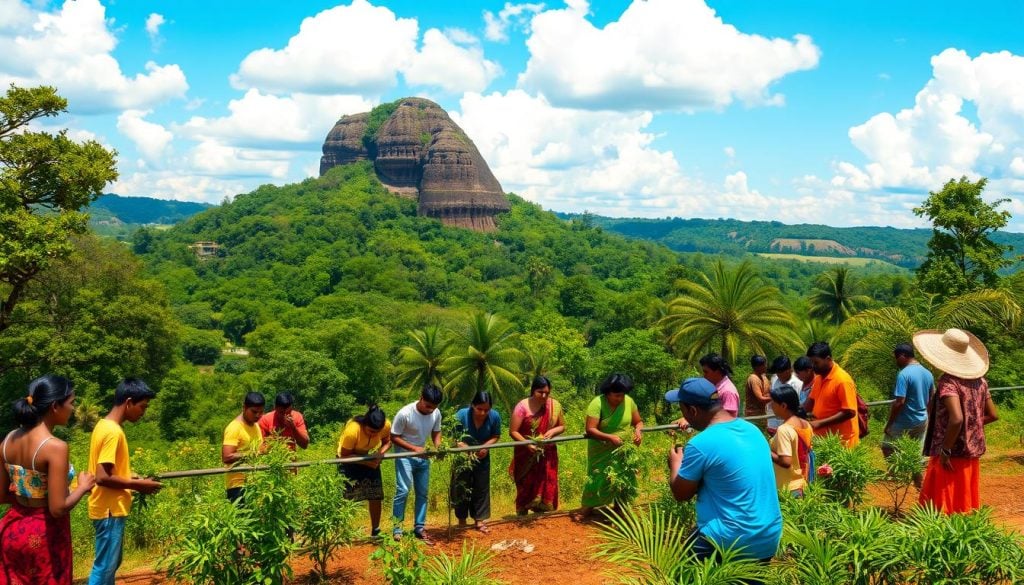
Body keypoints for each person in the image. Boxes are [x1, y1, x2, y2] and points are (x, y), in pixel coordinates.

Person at [666, 377, 781, 565]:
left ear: (692, 410)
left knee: (679, 571)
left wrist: (676, 464)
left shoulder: (701, 443)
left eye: (683, 410)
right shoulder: (751, 430)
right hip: (767, 537)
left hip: (729, 541)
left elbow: (681, 493)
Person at [0, 375, 95, 585]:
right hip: (44, 536)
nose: (73, 408)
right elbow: (57, 508)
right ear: (55, 406)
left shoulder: (8, 440)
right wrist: (83, 486)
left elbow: (1, 495)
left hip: (12, 531)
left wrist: (27, 497)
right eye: (71, 403)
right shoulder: (55, 447)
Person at [87, 378, 163, 585]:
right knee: (104, 568)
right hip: (110, 509)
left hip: (108, 508)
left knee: (111, 563)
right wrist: (140, 485)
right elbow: (102, 477)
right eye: (142, 406)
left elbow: (108, 470)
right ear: (129, 402)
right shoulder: (112, 432)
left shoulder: (104, 426)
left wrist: (132, 476)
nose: (143, 412)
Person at [914, 328, 999, 514]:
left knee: (943, 504)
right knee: (964, 502)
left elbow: (957, 418)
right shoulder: (981, 382)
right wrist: (972, 426)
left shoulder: (949, 383)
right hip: (971, 452)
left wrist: (946, 448)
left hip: (951, 452)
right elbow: (992, 415)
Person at [579, 373, 644, 518]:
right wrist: (610, 438)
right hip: (601, 448)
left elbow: (638, 422)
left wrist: (638, 432)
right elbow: (590, 429)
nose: (620, 399)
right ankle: (588, 507)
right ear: (608, 393)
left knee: (623, 477)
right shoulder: (597, 403)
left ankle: (620, 508)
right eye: (616, 396)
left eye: (622, 395)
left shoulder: (629, 402)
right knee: (597, 477)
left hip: (624, 449)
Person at [391, 384, 443, 543]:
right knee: (404, 490)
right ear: (421, 397)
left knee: (422, 492)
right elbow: (394, 436)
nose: (430, 410)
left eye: (433, 408)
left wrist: (438, 447)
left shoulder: (436, 413)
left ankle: (419, 527)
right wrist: (414, 449)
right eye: (427, 406)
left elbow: (436, 431)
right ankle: (397, 528)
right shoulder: (405, 413)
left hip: (423, 455)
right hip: (405, 454)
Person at [509, 376, 566, 515]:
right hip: (525, 453)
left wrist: (552, 431)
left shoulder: (554, 406)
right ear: (533, 391)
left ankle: (542, 512)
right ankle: (522, 512)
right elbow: (513, 431)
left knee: (546, 481)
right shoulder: (522, 406)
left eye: (547, 392)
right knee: (525, 484)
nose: (544, 395)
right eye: (541, 392)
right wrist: (527, 444)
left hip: (547, 452)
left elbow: (563, 426)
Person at [882, 344, 934, 485]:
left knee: (887, 446)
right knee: (916, 453)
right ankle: (918, 481)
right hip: (922, 419)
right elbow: (931, 399)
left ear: (902, 356)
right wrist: (928, 418)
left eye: (896, 358)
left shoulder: (904, 374)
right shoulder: (927, 373)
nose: (896, 362)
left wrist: (890, 424)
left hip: (905, 420)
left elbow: (900, 402)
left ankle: (897, 474)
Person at [337, 404, 391, 538]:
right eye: (371, 431)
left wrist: (379, 454)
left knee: (375, 494)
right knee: (347, 497)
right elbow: (344, 456)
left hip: (369, 458)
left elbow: (388, 442)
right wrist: (366, 462)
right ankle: (343, 532)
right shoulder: (353, 430)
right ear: (364, 424)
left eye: (376, 432)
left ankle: (376, 529)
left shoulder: (386, 425)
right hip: (348, 460)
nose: (373, 434)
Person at [451, 391, 501, 533]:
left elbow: (496, 435)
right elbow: (454, 437)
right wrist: (465, 447)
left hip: (482, 458)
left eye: (486, 410)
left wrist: (486, 446)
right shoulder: (461, 415)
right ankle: (461, 520)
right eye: (479, 409)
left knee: (481, 487)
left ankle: (479, 521)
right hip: (462, 459)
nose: (483, 413)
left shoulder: (495, 416)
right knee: (461, 487)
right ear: (473, 405)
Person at [803, 342, 860, 448]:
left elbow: (850, 412)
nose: (813, 367)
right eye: (811, 363)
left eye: (816, 363)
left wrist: (820, 423)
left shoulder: (842, 380)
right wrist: (796, 413)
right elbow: (811, 401)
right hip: (823, 439)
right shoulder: (819, 378)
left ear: (828, 359)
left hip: (842, 442)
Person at [768, 384, 813, 497]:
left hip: (788, 489)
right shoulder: (806, 424)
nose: (771, 406)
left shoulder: (784, 430)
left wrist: (764, 450)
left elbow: (786, 462)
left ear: (783, 405)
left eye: (773, 402)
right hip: (802, 484)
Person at [222, 392, 265, 504]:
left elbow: (260, 450)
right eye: (254, 412)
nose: (257, 415)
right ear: (244, 407)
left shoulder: (256, 426)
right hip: (238, 486)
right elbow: (227, 457)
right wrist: (255, 452)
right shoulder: (234, 427)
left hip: (255, 482)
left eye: (261, 412)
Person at [766, 356, 804, 436]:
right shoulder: (775, 380)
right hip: (774, 423)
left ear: (789, 370)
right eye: (777, 372)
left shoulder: (797, 384)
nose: (779, 375)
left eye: (781, 372)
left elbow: (798, 406)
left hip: (789, 425)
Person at [744, 355, 771, 422]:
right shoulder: (753, 378)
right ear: (757, 367)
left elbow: (769, 392)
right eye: (764, 365)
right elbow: (761, 398)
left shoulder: (764, 377)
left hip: (762, 414)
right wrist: (776, 398)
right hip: (754, 416)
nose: (766, 367)